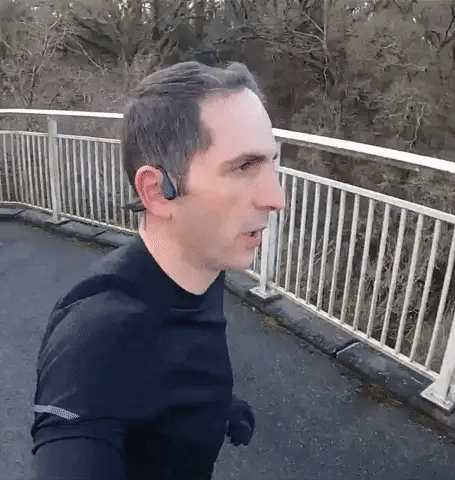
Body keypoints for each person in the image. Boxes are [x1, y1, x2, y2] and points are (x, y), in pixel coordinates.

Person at [30, 60, 286, 479]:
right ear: (157, 191)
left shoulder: (203, 264)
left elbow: (168, 370)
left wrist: (218, 408)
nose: (277, 198)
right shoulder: (93, 340)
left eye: (271, 164)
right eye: (244, 167)